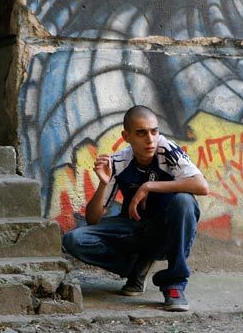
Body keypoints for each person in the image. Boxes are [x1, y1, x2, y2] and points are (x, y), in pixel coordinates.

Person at [62, 105, 208, 311]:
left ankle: (174, 285)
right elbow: (93, 219)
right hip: (135, 230)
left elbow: (201, 186)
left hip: (166, 233)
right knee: (73, 239)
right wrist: (103, 183)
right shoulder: (118, 162)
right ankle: (136, 268)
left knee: (184, 201)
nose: (150, 139)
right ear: (126, 136)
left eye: (154, 131)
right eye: (141, 133)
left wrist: (148, 186)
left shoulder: (167, 151)